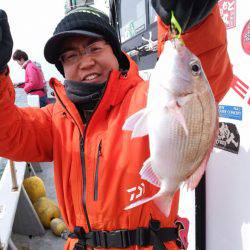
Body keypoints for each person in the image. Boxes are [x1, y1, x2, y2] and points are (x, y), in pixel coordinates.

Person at [0, 1, 232, 249]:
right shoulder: (54, 120)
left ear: (116, 53)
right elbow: (8, 133)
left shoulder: (148, 97)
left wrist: (193, 24)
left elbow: (201, 75)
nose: (86, 62)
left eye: (94, 48)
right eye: (71, 56)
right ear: (63, 68)